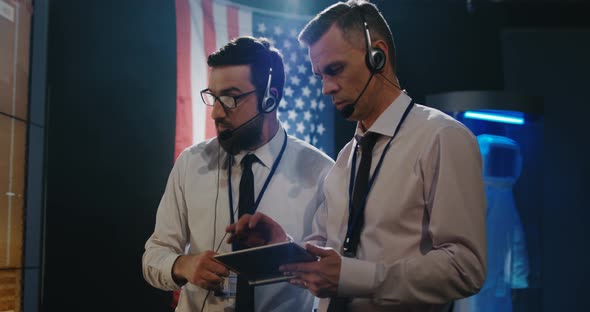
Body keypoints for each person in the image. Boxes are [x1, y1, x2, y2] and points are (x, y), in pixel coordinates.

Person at [227, 1, 487, 311]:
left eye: (334, 70)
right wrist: (284, 247)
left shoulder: (442, 138)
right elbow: (330, 253)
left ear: (378, 56)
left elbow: (465, 268)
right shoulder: (346, 158)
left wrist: (359, 277)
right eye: (319, 75)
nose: (325, 88)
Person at [142, 36, 334, 311]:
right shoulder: (191, 164)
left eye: (230, 98)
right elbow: (153, 255)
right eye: (213, 97)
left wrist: (286, 249)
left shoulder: (322, 172)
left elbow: (332, 276)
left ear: (270, 99)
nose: (216, 113)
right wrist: (183, 264)